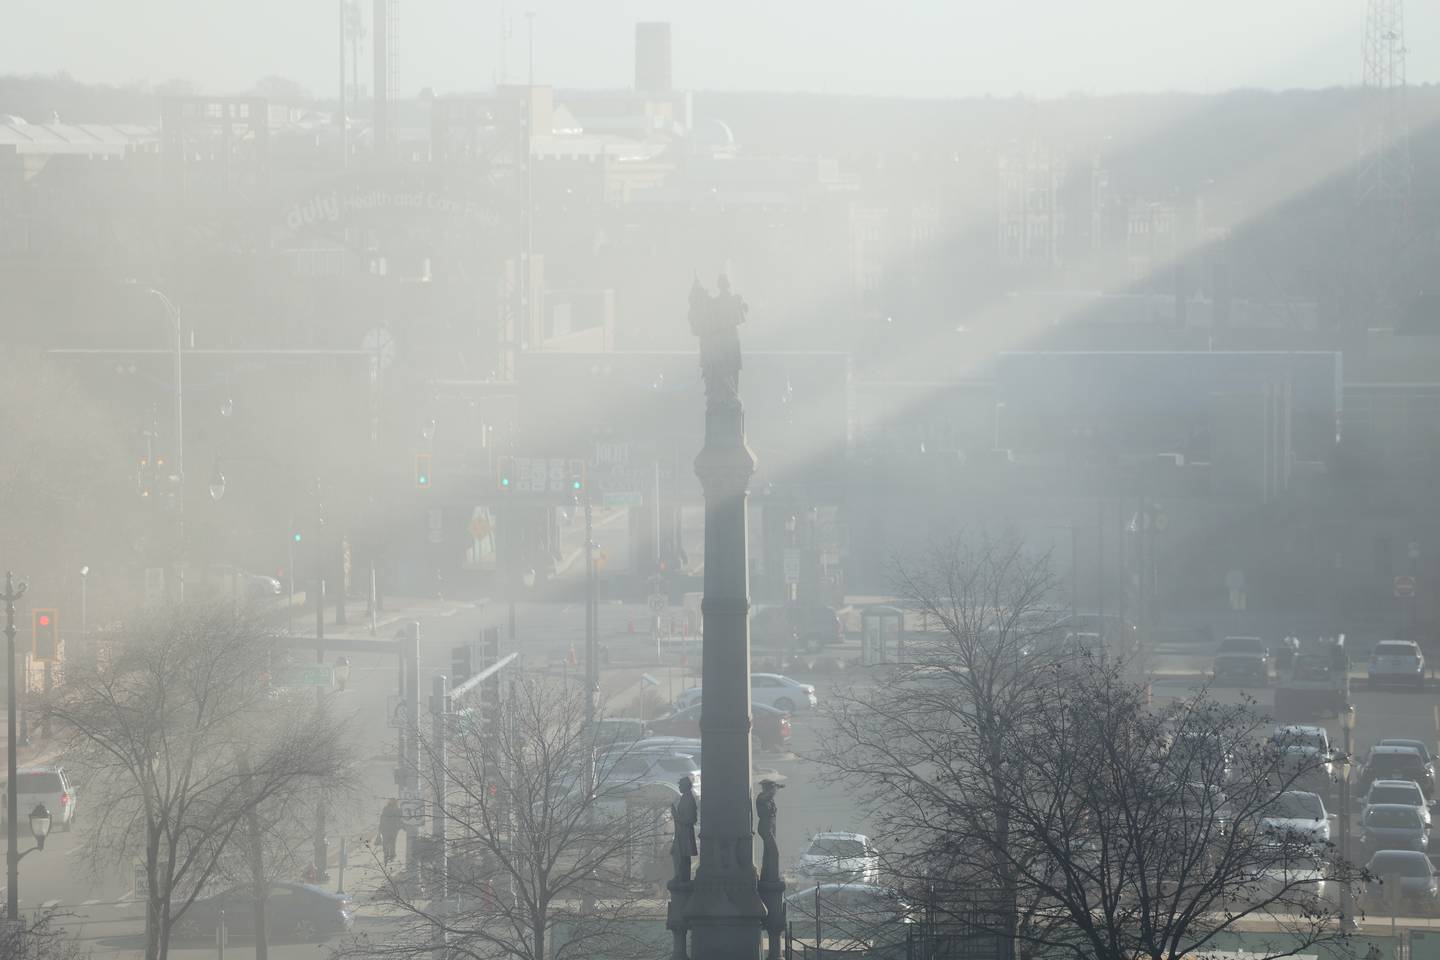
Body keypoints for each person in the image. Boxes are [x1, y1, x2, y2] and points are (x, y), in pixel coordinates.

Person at [379, 798, 402, 865]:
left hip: (388, 829)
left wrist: (380, 828)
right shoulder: (397, 809)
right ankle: (390, 856)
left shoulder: (387, 809)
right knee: (390, 843)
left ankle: (388, 856)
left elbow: (382, 818)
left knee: (388, 843)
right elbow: (400, 819)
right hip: (390, 829)